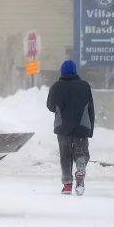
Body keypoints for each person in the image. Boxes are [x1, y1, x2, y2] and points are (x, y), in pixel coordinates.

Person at [46, 59, 95, 195]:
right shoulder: (85, 86)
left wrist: (61, 109)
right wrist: (90, 129)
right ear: (75, 71)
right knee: (81, 152)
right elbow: (91, 109)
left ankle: (67, 185)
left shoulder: (56, 86)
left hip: (63, 127)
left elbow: (50, 106)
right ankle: (80, 170)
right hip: (82, 126)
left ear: (62, 71)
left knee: (65, 155)